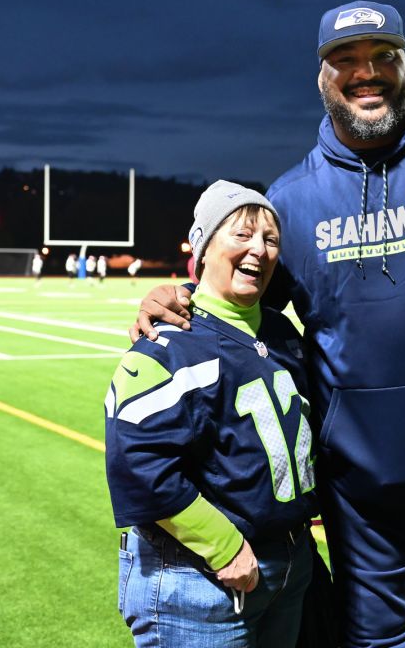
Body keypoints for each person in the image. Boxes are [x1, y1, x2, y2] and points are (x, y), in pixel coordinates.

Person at [130, 0, 405, 647]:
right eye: (346, 61)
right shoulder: (292, 199)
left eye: (381, 58)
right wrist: (176, 299)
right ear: (323, 78)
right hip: (358, 493)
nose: (365, 73)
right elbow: (243, 298)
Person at [107, 181, 317, 647]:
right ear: (203, 247)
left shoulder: (281, 333)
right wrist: (223, 548)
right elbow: (137, 462)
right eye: (240, 235)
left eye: (270, 240)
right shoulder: (171, 341)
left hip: (286, 567)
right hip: (200, 579)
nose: (258, 250)